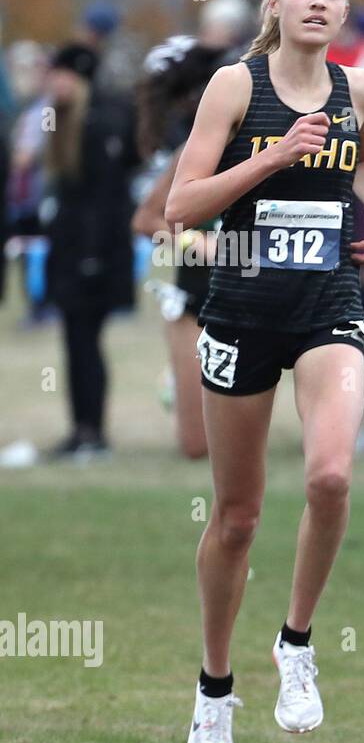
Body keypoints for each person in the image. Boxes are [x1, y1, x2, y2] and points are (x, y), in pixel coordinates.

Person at [166, 0, 364, 743]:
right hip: (241, 306)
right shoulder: (237, 85)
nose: (319, 3)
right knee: (237, 516)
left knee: (331, 474)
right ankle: (214, 689)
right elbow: (179, 208)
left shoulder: (358, 89)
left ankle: (296, 641)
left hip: (328, 302)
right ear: (275, 1)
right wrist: (271, 156)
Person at [132, 37, 235, 460]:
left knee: (238, 446)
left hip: (256, 298)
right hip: (196, 295)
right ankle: (181, 379)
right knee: (197, 447)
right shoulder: (194, 151)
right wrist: (198, 241)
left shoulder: (275, 147)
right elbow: (146, 220)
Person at [44, 42, 140, 460]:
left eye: (61, 74)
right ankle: (81, 428)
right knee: (75, 340)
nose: (54, 82)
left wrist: (92, 255)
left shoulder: (101, 122)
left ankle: (92, 431)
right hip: (72, 248)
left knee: (85, 342)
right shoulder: (66, 120)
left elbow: (106, 199)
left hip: (94, 251)